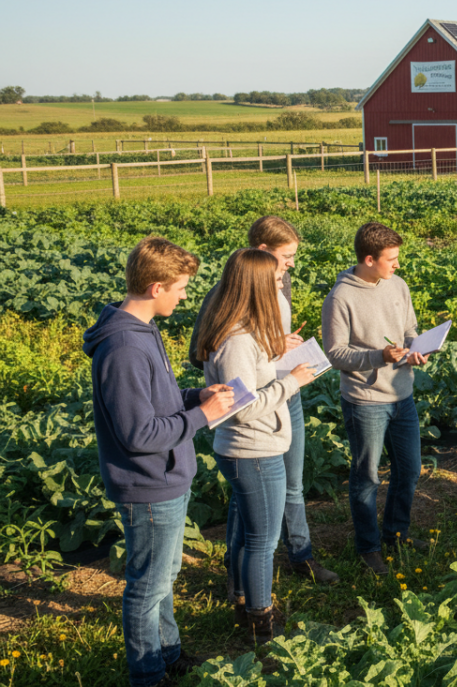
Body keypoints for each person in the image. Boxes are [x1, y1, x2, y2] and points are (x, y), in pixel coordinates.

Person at [83, 236, 236, 687]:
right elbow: (138, 434)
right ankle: (147, 675)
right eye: (181, 288)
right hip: (148, 484)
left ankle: (167, 652)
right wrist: (202, 416)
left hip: (165, 478)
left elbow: (157, 401)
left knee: (163, 576)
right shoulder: (124, 348)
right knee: (147, 586)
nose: (185, 296)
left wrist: (195, 396)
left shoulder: (143, 331)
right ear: (156, 288)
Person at [189, 216, 339, 588]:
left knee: (290, 483)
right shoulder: (228, 292)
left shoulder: (279, 283)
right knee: (253, 490)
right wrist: (264, 351)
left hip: (283, 391)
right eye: (285, 257)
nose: (290, 266)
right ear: (262, 252)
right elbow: (203, 352)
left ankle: (296, 555)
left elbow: (264, 337)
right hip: (260, 404)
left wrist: (276, 348)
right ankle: (242, 572)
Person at [197, 249, 317, 644]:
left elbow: (249, 380)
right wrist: (292, 381)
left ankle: (244, 602)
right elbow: (242, 409)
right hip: (253, 450)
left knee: (251, 535)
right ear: (256, 286)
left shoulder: (244, 334)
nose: (281, 285)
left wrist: (276, 352)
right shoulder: (236, 342)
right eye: (276, 280)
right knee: (262, 543)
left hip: (254, 448)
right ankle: (260, 623)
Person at [322, 222, 429, 576]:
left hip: (402, 394)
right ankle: (368, 547)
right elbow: (335, 354)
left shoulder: (398, 285)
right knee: (367, 476)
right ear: (369, 259)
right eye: (391, 259)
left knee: (409, 469)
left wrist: (416, 348)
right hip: (366, 400)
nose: (397, 264)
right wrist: (378, 356)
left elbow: (409, 330)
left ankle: (396, 534)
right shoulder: (341, 297)